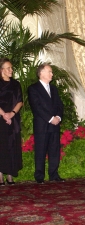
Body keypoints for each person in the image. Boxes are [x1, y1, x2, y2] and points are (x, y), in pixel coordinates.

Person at [28, 63, 64, 184]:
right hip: (42, 125)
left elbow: (59, 105)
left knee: (54, 150)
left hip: (55, 125)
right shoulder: (33, 88)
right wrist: (50, 118)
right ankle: (39, 176)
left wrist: (58, 117)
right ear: (41, 73)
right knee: (41, 151)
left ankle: (54, 174)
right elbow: (36, 107)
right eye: (49, 71)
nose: (52, 74)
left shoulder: (53, 88)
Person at [0, 58, 23, 186]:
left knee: (12, 146)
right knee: (1, 146)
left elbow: (20, 101)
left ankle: (10, 175)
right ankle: (0, 176)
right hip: (0, 119)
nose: (11, 70)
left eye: (11, 68)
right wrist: (4, 114)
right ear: (1, 70)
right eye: (8, 68)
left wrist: (11, 114)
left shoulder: (16, 84)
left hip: (13, 119)